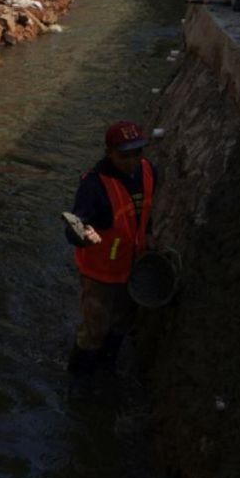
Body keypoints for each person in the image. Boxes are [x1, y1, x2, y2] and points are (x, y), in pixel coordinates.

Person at [64, 121, 157, 373]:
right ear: (109, 153)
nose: (132, 161)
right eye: (124, 155)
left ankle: (107, 368)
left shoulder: (149, 171)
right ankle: (79, 380)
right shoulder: (94, 185)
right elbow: (73, 227)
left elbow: (145, 210)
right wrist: (84, 234)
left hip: (132, 266)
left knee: (122, 323)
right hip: (100, 274)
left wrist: (148, 233)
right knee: (94, 330)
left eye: (137, 153)